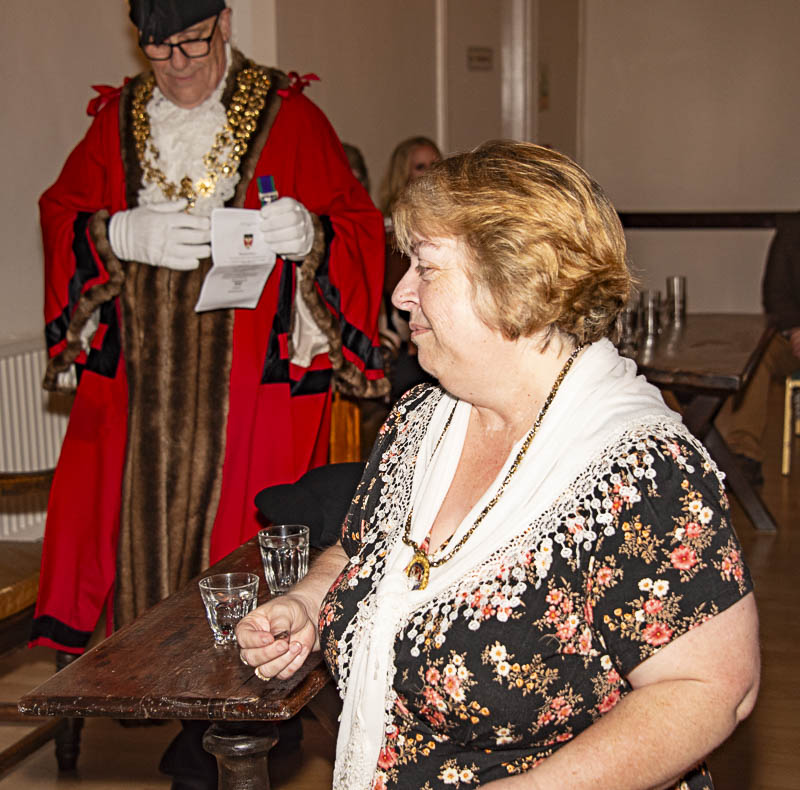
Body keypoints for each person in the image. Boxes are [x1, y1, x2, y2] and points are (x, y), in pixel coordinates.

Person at [237, 140, 759, 790]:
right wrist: (311, 605)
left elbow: (708, 688)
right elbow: (360, 549)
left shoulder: (639, 469)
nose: (402, 294)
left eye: (424, 268)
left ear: (515, 280)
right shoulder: (421, 419)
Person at [31, 0, 385, 656]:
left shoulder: (291, 115)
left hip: (251, 383)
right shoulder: (115, 122)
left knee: (243, 531)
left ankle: (233, 693)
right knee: (126, 532)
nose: (177, 65)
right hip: (140, 385)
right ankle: (147, 676)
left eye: (192, 44)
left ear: (223, 25)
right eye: (157, 49)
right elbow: (61, 214)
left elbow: (359, 224)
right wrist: (114, 233)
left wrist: (311, 234)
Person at [715, 212, 800, 485]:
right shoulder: (792, 229)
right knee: (757, 355)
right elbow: (775, 293)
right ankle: (743, 453)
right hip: (795, 340)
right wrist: (795, 329)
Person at [379, 136, 442, 402]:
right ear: (403, 174)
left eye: (434, 164)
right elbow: (392, 290)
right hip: (407, 346)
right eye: (420, 167)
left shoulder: (451, 224)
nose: (429, 173)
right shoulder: (388, 231)